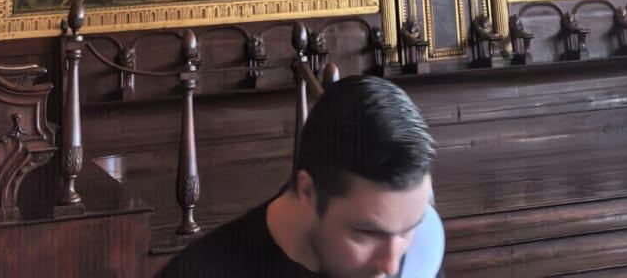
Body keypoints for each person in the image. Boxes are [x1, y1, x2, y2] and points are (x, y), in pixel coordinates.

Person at [158, 74, 445, 277]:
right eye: (367, 233)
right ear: (308, 191)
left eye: (408, 230)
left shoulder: (419, 240)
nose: (391, 266)